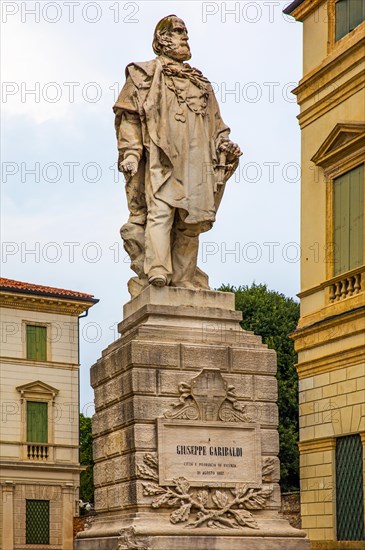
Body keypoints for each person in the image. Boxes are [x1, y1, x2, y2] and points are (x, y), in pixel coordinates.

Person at [114, 15, 241, 295]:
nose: (185, 37)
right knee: (161, 210)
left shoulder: (201, 83)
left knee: (191, 220)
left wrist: (225, 144)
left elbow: (217, 125)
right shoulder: (143, 73)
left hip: (198, 157)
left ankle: (184, 277)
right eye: (179, 31)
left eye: (185, 32)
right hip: (162, 153)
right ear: (162, 39)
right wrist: (132, 153)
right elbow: (130, 119)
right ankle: (157, 269)